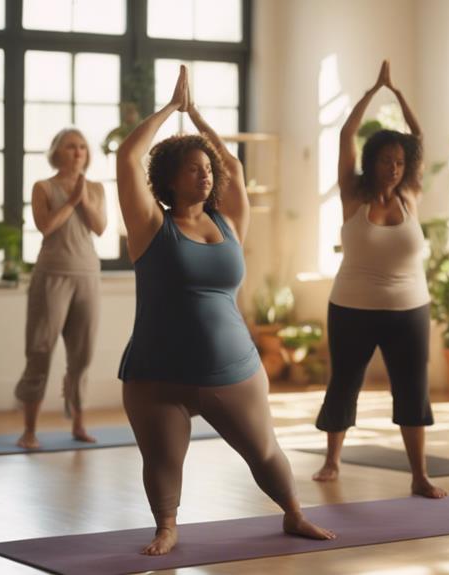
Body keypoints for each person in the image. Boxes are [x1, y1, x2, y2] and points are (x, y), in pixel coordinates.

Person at [116, 65, 335, 556]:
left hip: (231, 370)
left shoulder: (230, 221)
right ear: (168, 180)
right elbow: (128, 155)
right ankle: (167, 527)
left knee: (263, 451)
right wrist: (171, 110)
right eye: (193, 167)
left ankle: (295, 514)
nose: (206, 173)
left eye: (206, 167)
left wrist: (197, 118)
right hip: (156, 373)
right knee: (162, 460)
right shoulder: (151, 224)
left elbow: (234, 168)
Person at [311, 61, 446, 499]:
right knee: (345, 382)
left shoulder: (411, 194)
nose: (394, 167)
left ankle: (419, 475)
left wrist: (401, 96)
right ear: (373, 162)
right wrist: (373, 91)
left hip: (410, 309)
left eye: (400, 161)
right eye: (387, 159)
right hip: (352, 306)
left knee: (412, 389)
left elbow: (420, 140)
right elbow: (345, 135)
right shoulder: (354, 193)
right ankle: (332, 460)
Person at [15, 128, 106, 449]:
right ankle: (29, 430)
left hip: (87, 276)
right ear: (57, 152)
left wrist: (84, 198)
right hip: (52, 275)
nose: (78, 152)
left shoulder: (95, 188)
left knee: (83, 355)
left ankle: (79, 424)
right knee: (40, 350)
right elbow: (46, 226)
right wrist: (72, 200)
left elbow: (100, 227)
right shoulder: (43, 187)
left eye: (82, 146)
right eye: (70, 147)